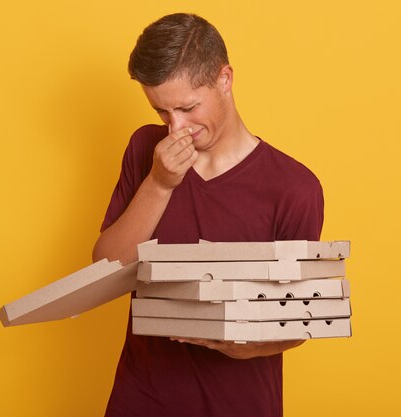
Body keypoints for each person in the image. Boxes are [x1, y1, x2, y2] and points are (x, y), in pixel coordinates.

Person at [93, 13, 324, 417]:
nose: (176, 128)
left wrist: (249, 344)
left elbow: (300, 318)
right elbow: (104, 270)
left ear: (225, 79)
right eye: (162, 112)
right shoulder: (146, 149)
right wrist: (160, 183)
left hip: (240, 401)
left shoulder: (294, 187)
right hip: (142, 397)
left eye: (187, 107)